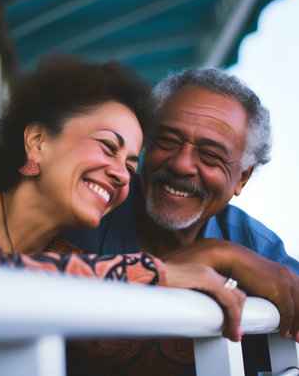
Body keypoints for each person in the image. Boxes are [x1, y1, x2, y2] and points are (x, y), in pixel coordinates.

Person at [0, 55, 249, 375]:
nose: (123, 176)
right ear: (38, 141)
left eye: (130, 166)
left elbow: (143, 352)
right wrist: (164, 272)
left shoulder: (66, 258)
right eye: (108, 146)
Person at [62, 67, 299, 375]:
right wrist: (215, 255)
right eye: (168, 140)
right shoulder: (87, 205)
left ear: (242, 177)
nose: (181, 164)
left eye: (210, 155)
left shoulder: (254, 244)